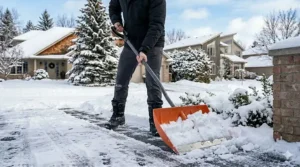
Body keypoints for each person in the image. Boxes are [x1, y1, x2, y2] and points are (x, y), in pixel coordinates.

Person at [105, 0, 166, 136]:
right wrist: (116, 21)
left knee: (152, 81)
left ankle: (155, 121)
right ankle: (118, 115)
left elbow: (157, 25)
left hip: (153, 42)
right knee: (121, 79)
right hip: (131, 40)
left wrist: (145, 49)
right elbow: (113, 6)